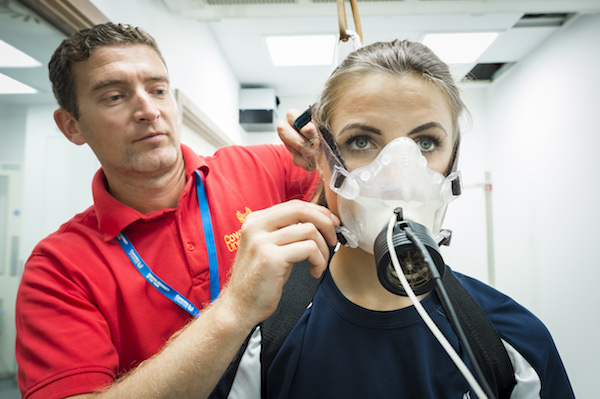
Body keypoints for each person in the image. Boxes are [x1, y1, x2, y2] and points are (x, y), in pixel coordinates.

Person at [14, 22, 338, 399]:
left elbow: (364, 190)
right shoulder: (57, 269)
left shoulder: (264, 167)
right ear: (72, 126)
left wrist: (333, 141)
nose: (148, 110)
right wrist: (235, 308)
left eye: (158, 90)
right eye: (115, 96)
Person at [260, 40, 575, 398]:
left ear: (454, 160)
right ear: (320, 157)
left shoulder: (513, 346)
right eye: (361, 142)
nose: (398, 179)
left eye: (425, 143)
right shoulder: (261, 334)